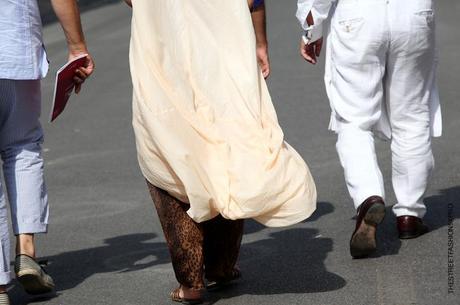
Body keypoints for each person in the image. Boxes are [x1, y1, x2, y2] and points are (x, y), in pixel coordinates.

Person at [126, 0, 316, 303]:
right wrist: (260, 41)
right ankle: (222, 265)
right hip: (223, 47)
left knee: (169, 152)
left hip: (162, 53)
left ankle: (191, 280)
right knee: (229, 141)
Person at [297, 0, 441, 258]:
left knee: (354, 118)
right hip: (414, 14)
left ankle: (368, 197)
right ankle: (410, 213)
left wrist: (312, 28)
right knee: (412, 115)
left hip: (358, 17)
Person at [0, 0, 94, 303]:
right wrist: (77, 46)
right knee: (23, 145)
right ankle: (26, 250)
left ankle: (0, 284)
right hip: (16, 45)